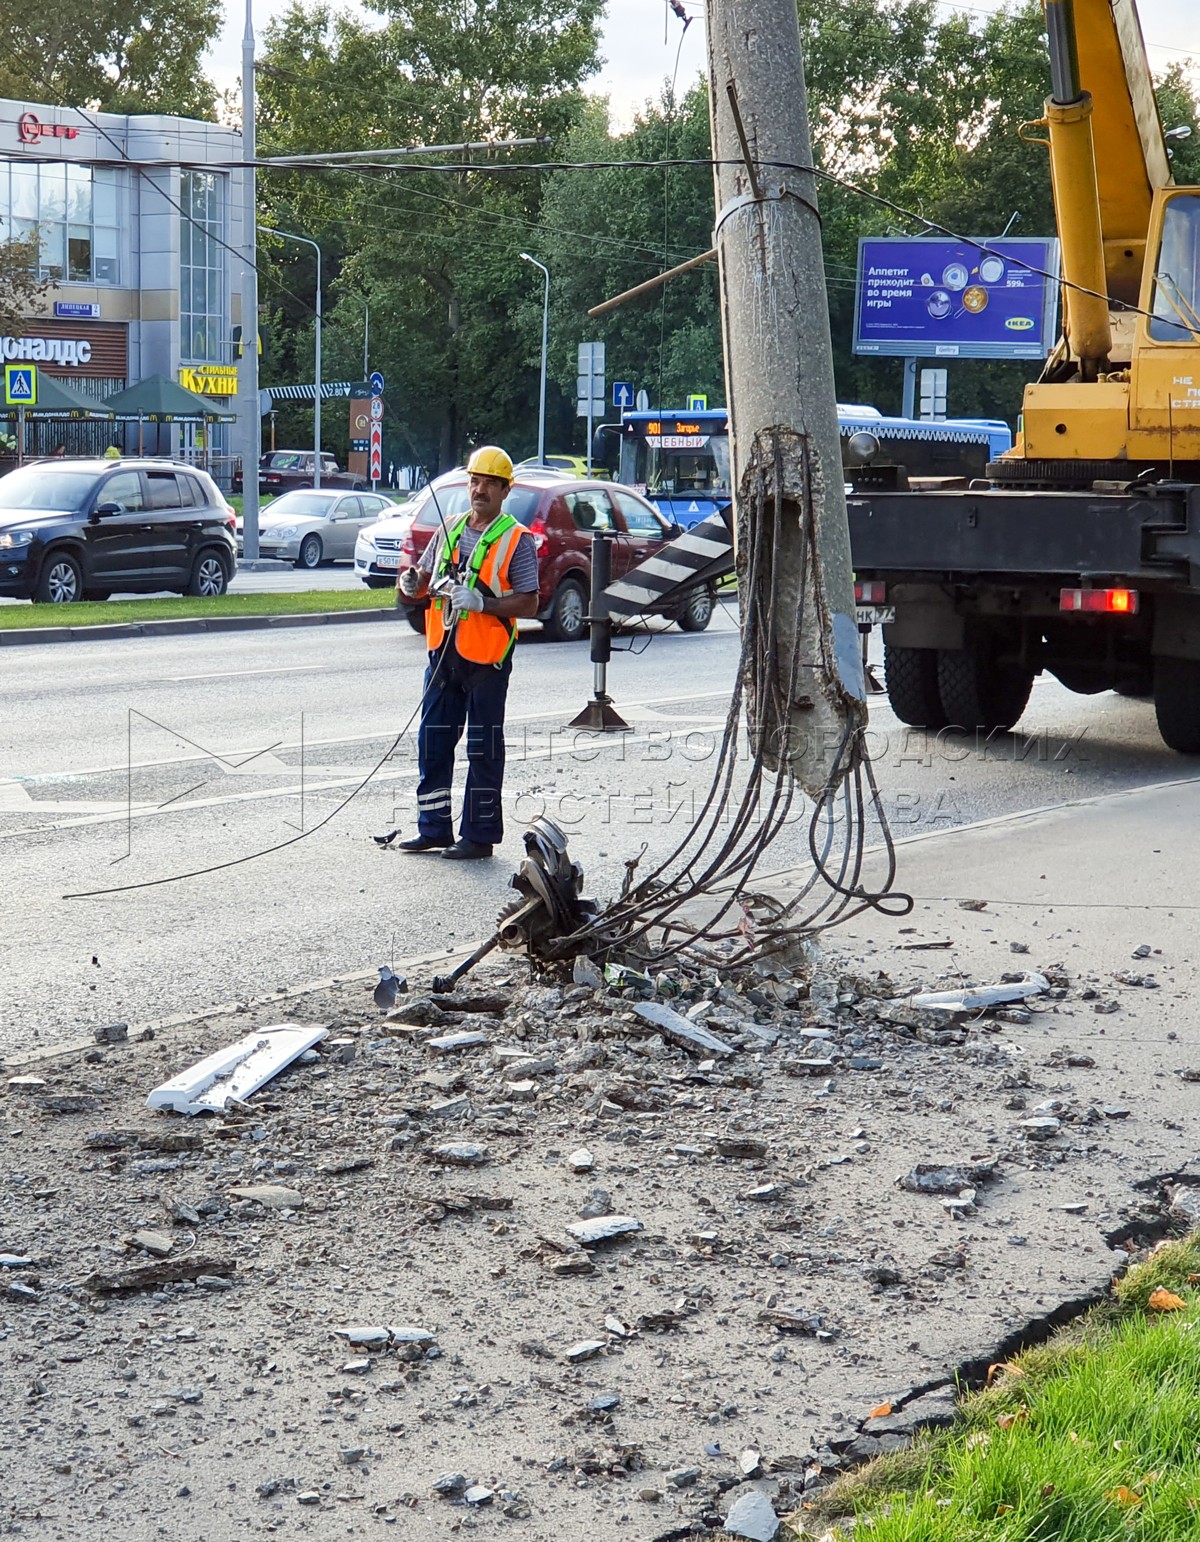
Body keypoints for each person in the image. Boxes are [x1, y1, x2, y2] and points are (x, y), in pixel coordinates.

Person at [396, 446, 539, 860]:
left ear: (504, 490)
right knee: (433, 743)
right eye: (475, 482)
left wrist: (483, 603)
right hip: (444, 656)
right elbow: (423, 579)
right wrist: (411, 584)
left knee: (483, 749)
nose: (479, 490)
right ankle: (434, 829)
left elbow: (529, 603)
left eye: (489, 485)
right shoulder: (452, 528)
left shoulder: (517, 539)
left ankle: (478, 837)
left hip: (487, 661)